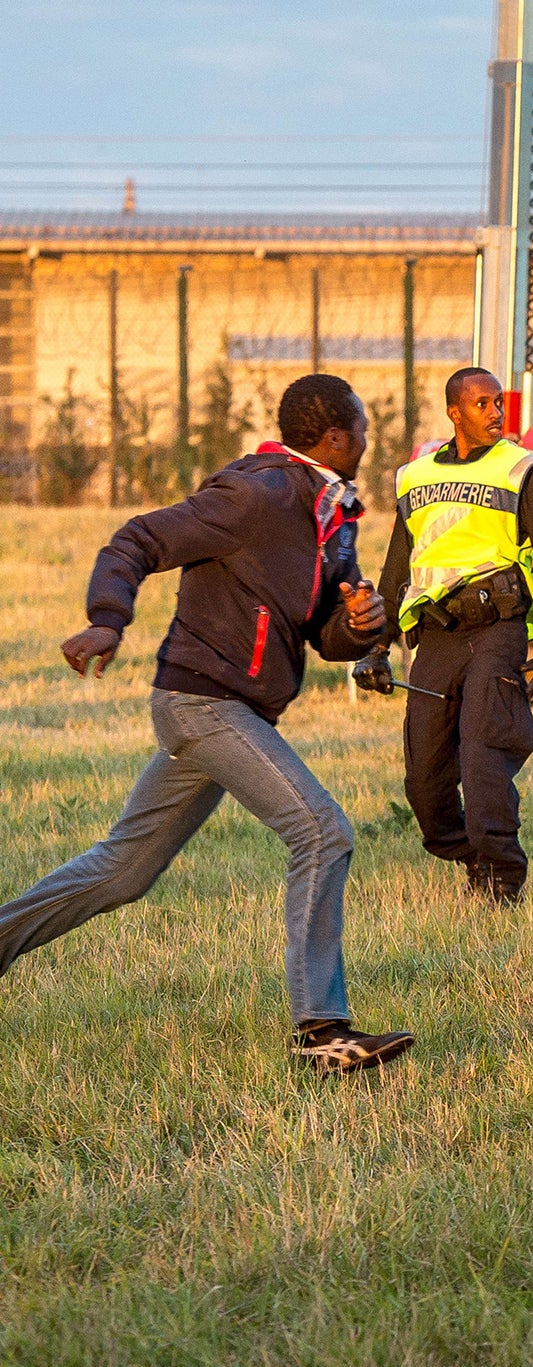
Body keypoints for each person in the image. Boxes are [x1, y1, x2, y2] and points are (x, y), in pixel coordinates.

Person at [0, 374, 413, 1074]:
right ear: (339, 437)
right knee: (322, 830)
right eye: (364, 429)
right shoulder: (255, 495)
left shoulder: (330, 515)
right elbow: (137, 539)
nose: (369, 441)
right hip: (202, 703)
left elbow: (324, 636)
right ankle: (322, 1034)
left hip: (233, 710)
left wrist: (360, 625)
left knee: (123, 872)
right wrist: (108, 619)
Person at [353, 367, 533, 905]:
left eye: (497, 403)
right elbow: (397, 571)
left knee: (484, 757)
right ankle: (472, 856)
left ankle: (501, 881)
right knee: (426, 787)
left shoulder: (525, 470)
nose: (495, 413)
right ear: (454, 413)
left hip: (498, 631)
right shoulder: (414, 477)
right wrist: (375, 647)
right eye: (481, 405)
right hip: (435, 638)